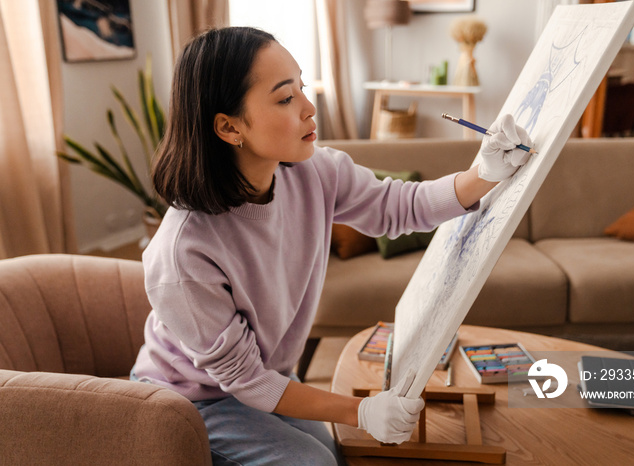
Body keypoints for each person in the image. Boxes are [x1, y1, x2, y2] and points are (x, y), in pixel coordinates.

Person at [130, 26, 533, 466]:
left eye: (302, 87)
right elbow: (245, 380)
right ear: (229, 127)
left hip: (267, 377)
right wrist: (360, 411)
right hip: (191, 400)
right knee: (316, 462)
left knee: (334, 455)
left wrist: (484, 174)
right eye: (285, 98)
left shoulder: (313, 171)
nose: (308, 107)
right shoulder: (183, 252)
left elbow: (397, 205)